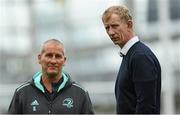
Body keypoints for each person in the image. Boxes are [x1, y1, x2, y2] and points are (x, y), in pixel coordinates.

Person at [8, 39, 94, 114]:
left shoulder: (80, 93)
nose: (53, 61)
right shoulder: (22, 93)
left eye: (58, 56)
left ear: (64, 61)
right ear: (39, 58)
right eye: (49, 55)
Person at [102, 5, 161, 114]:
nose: (110, 32)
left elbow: (146, 108)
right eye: (107, 28)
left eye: (115, 26)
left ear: (129, 25)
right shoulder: (131, 55)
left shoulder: (140, 56)